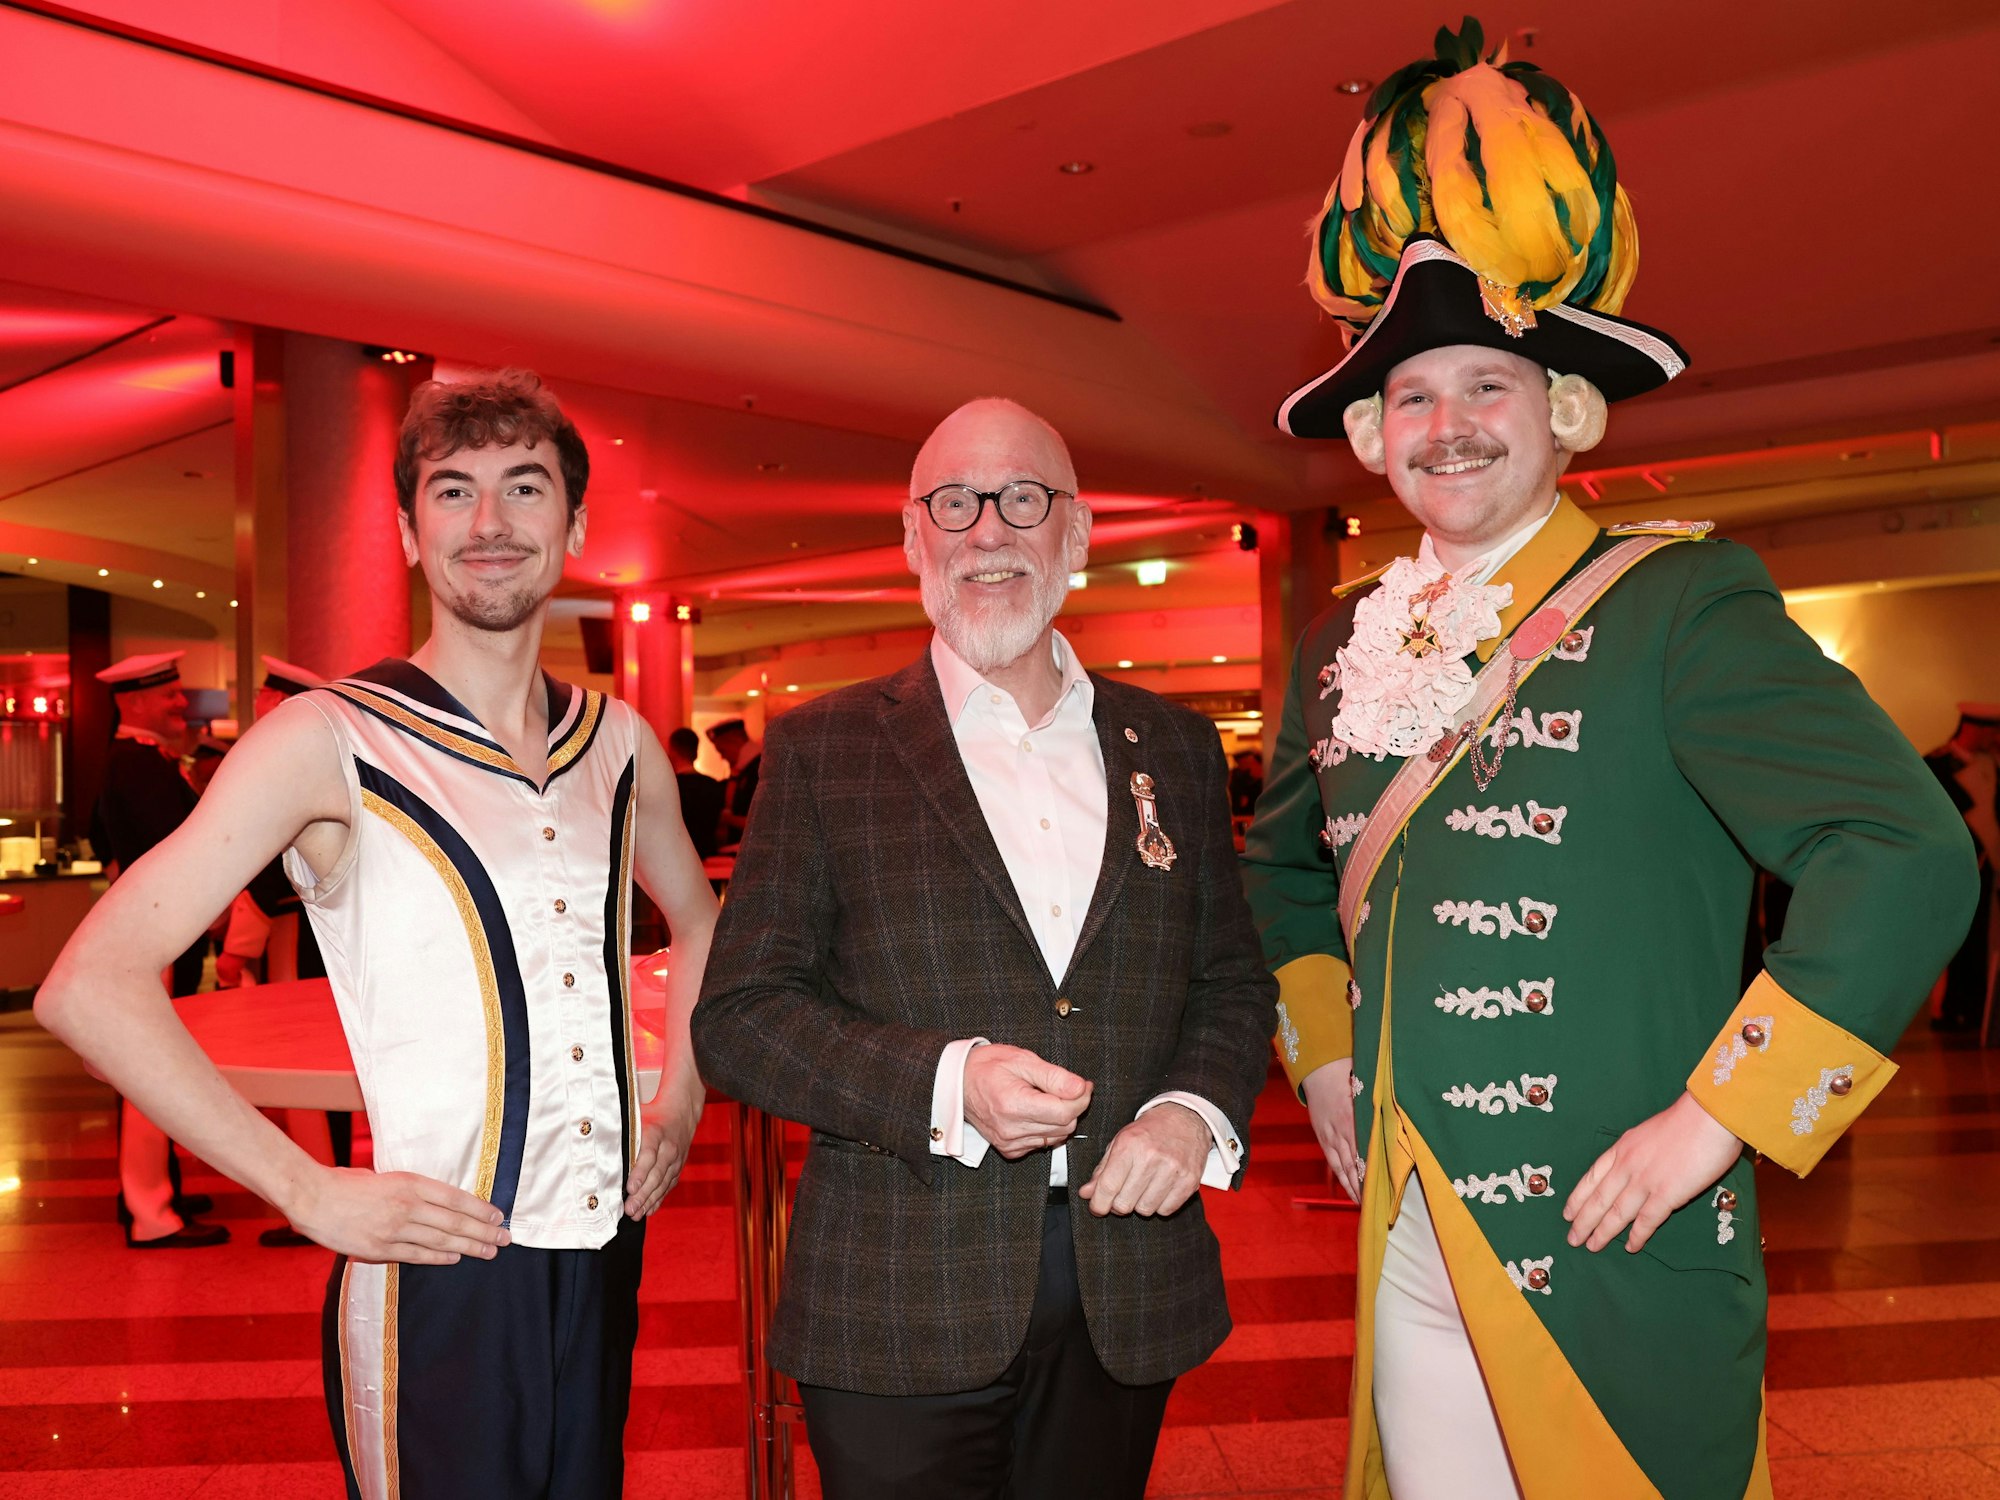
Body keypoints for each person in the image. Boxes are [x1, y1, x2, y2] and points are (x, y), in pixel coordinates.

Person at [1242, 21, 1978, 1499]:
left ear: (1563, 412)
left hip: (1607, 1240)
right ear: (1376, 440)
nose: (1448, 427)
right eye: (1412, 398)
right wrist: (1322, 1056)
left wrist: (1721, 1119)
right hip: (1403, 1227)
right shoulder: (1336, 641)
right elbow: (1277, 873)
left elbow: (1906, 852)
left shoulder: (1680, 606)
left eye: (1486, 387)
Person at [38, 368, 717, 1498]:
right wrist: (301, 1188)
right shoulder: (328, 739)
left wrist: (679, 1096)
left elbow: (698, 923)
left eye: (524, 487)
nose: (490, 524)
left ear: (576, 523)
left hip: (601, 1251)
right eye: (452, 493)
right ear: (407, 531)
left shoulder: (618, 741)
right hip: (431, 1267)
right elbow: (90, 983)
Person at [693, 397, 1275, 1500]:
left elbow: (1230, 979)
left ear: (1077, 533)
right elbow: (743, 1016)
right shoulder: (825, 750)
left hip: (1124, 1276)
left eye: (1022, 499)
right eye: (953, 503)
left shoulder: (1178, 748)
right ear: (914, 536)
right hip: (898, 1290)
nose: (987, 531)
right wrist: (948, 1081)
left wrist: (1186, 1113)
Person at [89, 651, 227, 1249]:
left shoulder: (135, 760)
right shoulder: (139, 764)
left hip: (153, 934)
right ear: (137, 702)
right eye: (169, 694)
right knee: (149, 1071)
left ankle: (151, 1190)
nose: (181, 702)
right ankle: (153, 1213)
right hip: (156, 939)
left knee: (152, 1068)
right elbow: (175, 851)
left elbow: (102, 837)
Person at [1925, 702, 1999, 1034]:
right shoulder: (1936, 764)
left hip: (1988, 865)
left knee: (1982, 939)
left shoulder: (1991, 764)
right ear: (1978, 728)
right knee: (1953, 939)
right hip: (1951, 867)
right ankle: (1947, 1008)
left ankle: (1975, 1007)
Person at [666, 726, 725, 860]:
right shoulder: (714, 785)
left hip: (678, 857)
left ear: (673, 751)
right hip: (709, 855)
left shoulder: (670, 786)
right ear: (696, 752)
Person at [706, 716, 761, 845]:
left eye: (721, 750)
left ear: (734, 741)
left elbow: (762, 821)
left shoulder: (759, 769)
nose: (722, 757)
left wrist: (728, 819)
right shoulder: (744, 770)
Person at [1228, 748, 1264, 817]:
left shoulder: (1264, 780)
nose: (1241, 767)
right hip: (1243, 817)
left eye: (1245, 764)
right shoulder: (1238, 777)